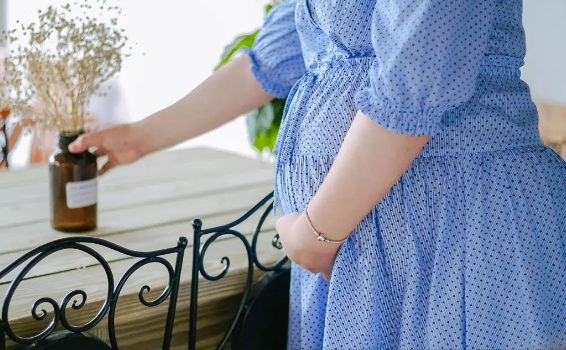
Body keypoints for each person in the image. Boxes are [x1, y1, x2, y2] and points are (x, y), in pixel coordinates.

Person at [70, 0, 566, 349]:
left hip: (453, 230)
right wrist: (140, 138)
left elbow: (414, 87)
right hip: (365, 238)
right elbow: (270, 59)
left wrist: (314, 234)